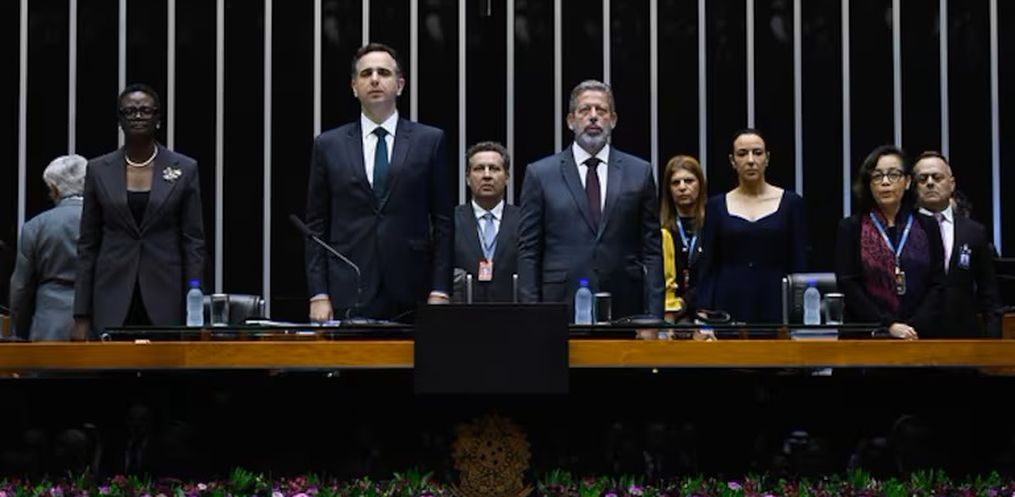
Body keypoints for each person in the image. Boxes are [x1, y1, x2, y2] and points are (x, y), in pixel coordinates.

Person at [304, 43, 452, 322]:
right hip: (349, 286)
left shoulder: (429, 141)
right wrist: (318, 293)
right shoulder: (329, 145)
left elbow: (443, 223)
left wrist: (440, 290)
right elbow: (316, 227)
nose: (374, 79)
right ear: (354, 87)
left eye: (383, 72)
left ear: (400, 85)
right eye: (366, 74)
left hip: (412, 286)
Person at [518, 79, 663, 319]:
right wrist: (531, 313)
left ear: (613, 120)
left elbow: (652, 251)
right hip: (559, 303)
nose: (593, 117)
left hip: (625, 304)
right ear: (570, 121)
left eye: (601, 110)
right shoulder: (540, 174)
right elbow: (528, 251)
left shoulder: (639, 172)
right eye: (585, 110)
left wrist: (654, 317)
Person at [74, 84, 206, 337]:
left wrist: (194, 299)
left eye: (145, 110)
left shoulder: (185, 168)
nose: (137, 116)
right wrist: (81, 314)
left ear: (158, 118)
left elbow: (194, 242)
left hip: (166, 292)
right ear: (120, 120)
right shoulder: (99, 169)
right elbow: (88, 245)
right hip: (111, 292)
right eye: (129, 111)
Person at [696, 129, 807, 324]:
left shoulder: (791, 203)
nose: (750, 160)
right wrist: (703, 311)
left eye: (757, 153)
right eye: (742, 154)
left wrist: (801, 308)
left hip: (776, 301)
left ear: (767, 158)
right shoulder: (716, 206)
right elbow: (708, 264)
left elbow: (800, 261)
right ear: (732, 161)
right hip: (728, 302)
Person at [834, 145, 944, 339]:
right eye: (877, 176)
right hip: (867, 335)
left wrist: (913, 327)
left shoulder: (927, 225)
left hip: (918, 335)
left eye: (893, 175)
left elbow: (937, 283)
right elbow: (849, 285)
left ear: (907, 182)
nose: (885, 182)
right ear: (869, 184)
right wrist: (889, 325)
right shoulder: (851, 227)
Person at [912, 151, 1001, 337]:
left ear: (951, 184)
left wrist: (993, 338)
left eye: (937, 177)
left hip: (963, 335)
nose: (930, 183)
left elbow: (988, 292)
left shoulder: (974, 231)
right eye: (922, 179)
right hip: (914, 334)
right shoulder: (904, 227)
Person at [9, 154, 87, 340]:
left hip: (49, 324)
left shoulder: (35, 226)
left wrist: (18, 332)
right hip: (96, 323)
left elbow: (21, 288)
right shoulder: (108, 222)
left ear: (54, 189)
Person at [453, 141, 519, 303]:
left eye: (494, 168)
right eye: (479, 168)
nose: (487, 175)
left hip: (512, 310)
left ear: (507, 177)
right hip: (462, 311)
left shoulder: (524, 220)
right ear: (467, 178)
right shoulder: (451, 220)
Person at [659, 155, 706, 321]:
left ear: (700, 184)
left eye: (689, 181)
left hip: (707, 312)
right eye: (675, 183)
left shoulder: (712, 224)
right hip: (668, 314)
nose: (682, 187)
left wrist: (686, 301)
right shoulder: (660, 229)